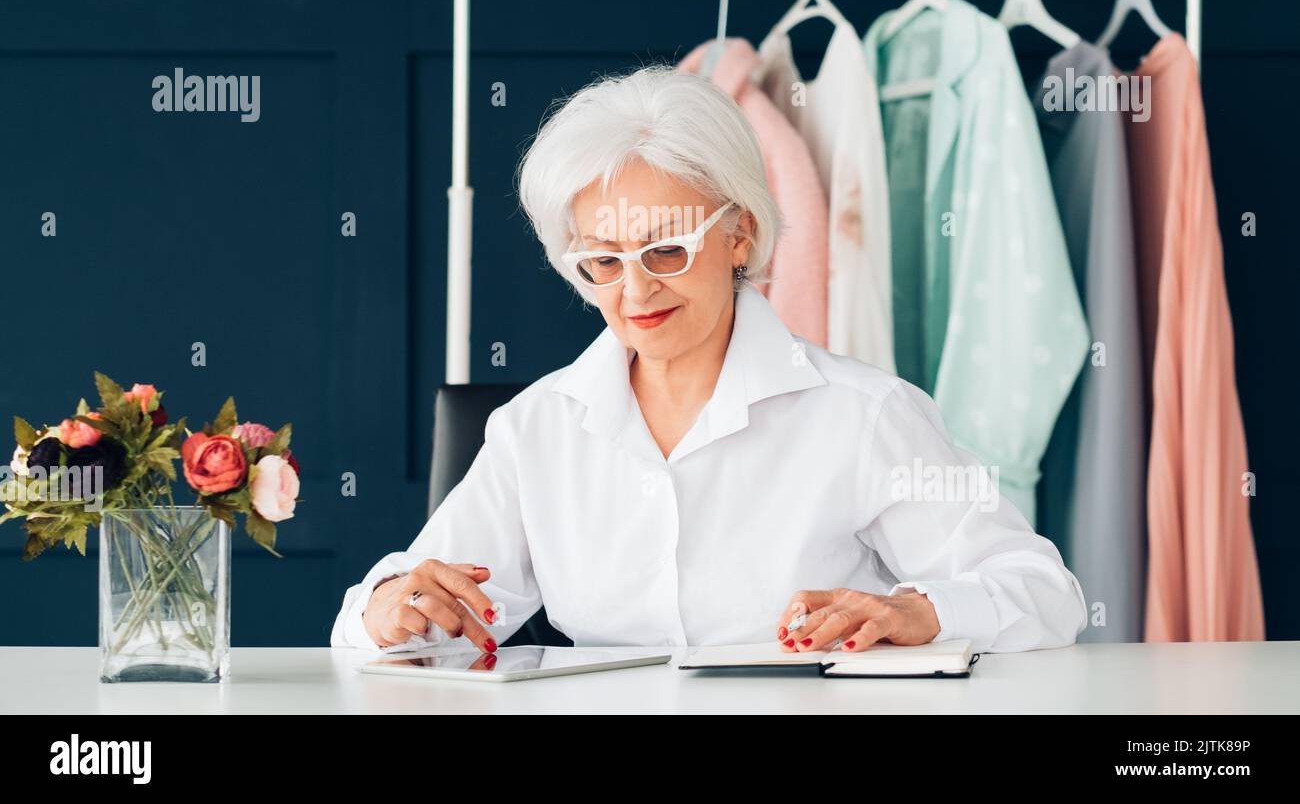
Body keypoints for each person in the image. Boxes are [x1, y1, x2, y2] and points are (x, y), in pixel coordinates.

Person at [330, 65, 1087, 658]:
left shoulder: (865, 416)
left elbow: (1044, 592)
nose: (635, 291)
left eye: (666, 249)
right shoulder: (538, 431)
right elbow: (399, 621)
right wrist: (388, 608)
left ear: (741, 235)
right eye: (602, 261)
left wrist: (918, 610)